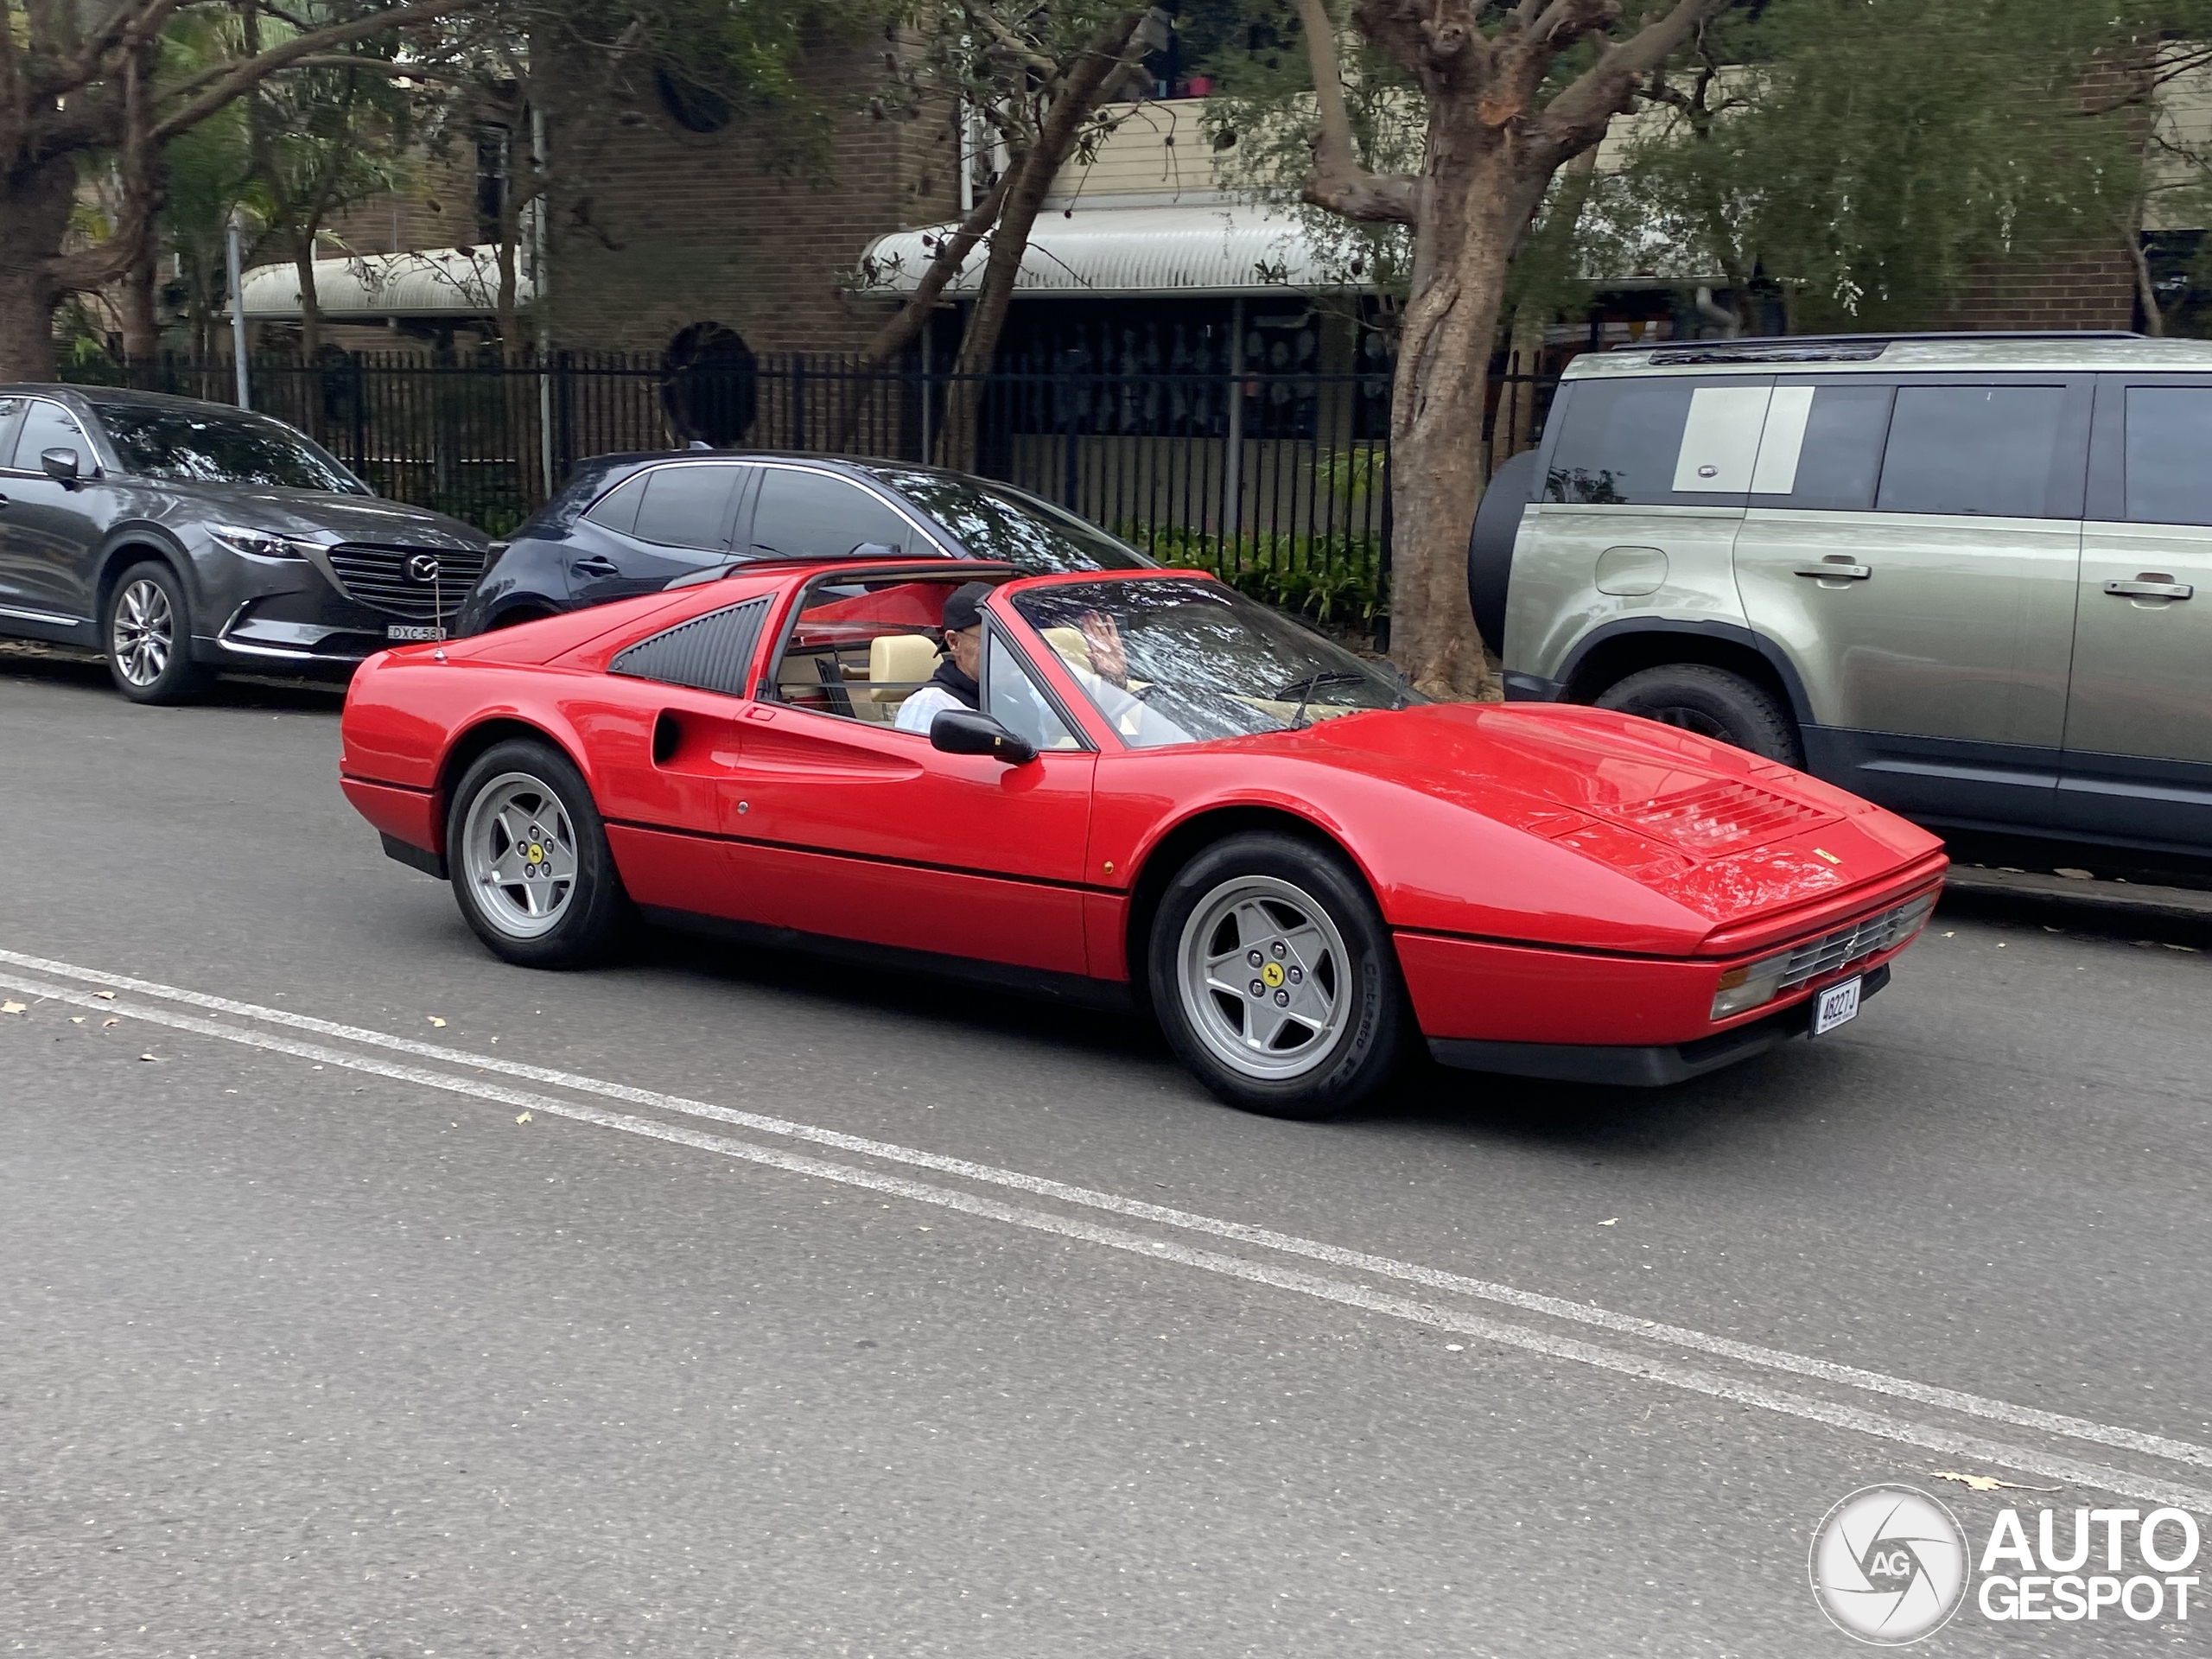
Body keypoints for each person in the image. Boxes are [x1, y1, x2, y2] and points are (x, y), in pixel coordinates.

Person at [893, 580, 993, 734]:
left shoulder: (1023, 690)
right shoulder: (929, 707)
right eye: (990, 639)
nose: (1004, 651)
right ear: (954, 642)